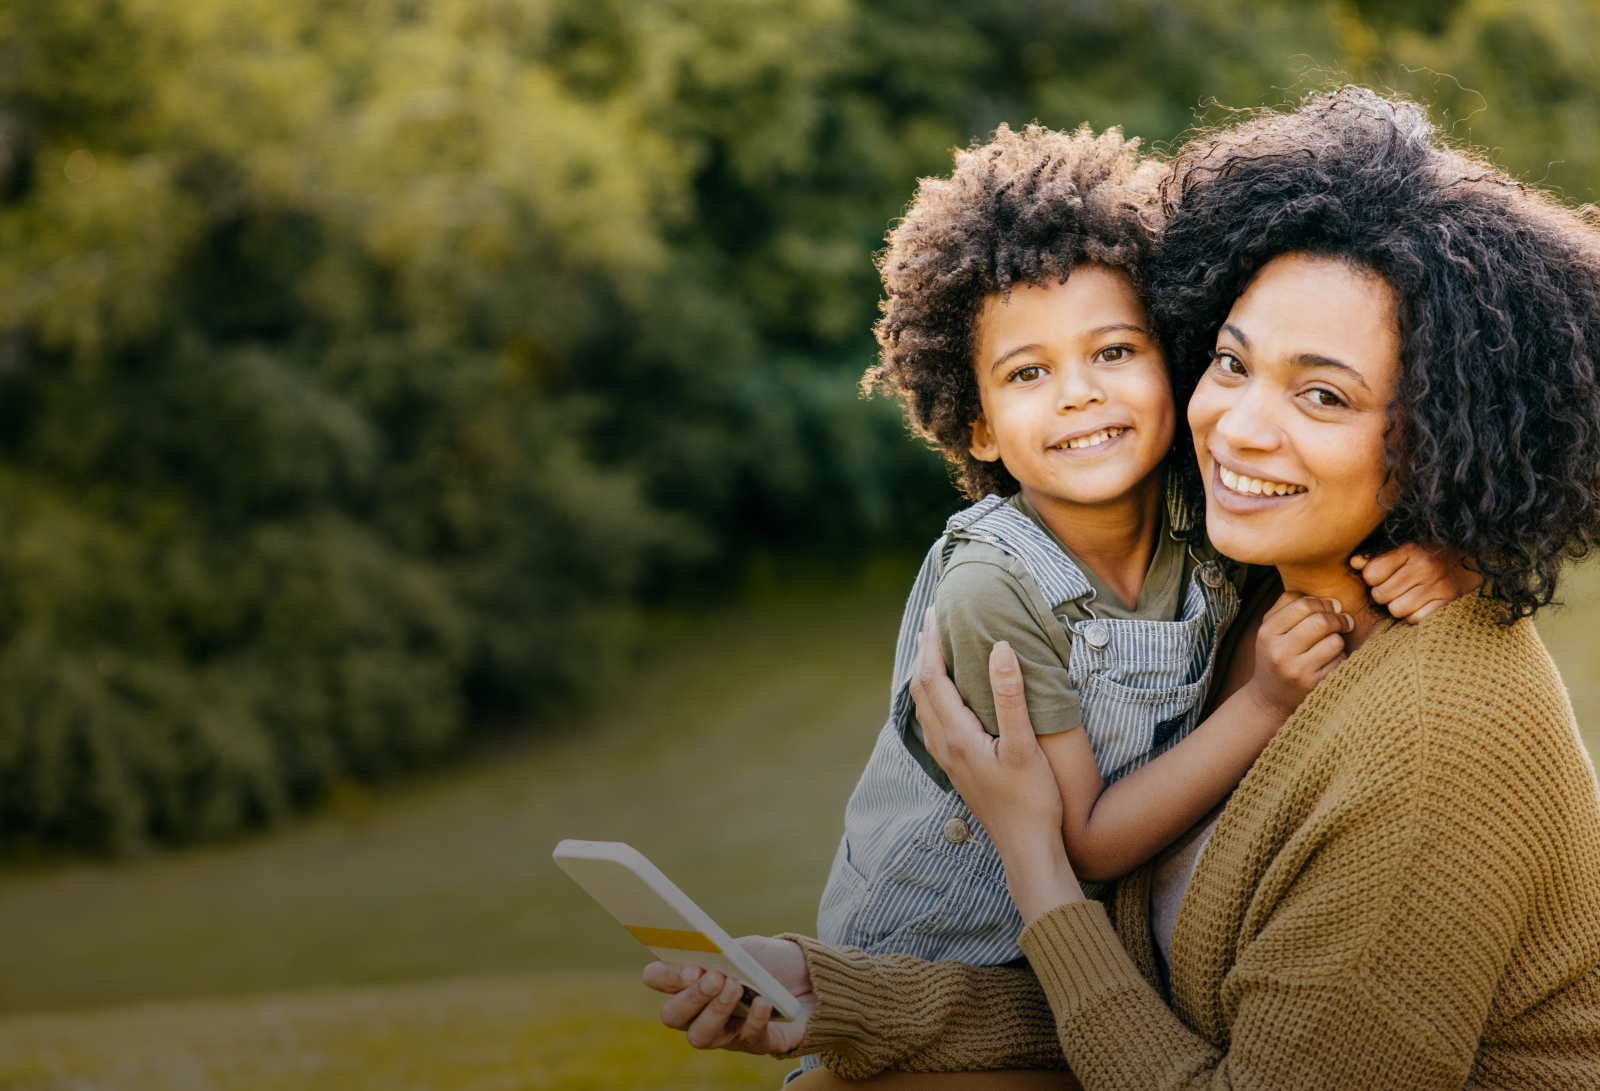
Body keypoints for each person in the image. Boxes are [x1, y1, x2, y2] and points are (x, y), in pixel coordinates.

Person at [646, 87, 1600, 1089]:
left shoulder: (1429, 740)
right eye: (1229, 362)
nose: (1238, 427)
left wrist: (1032, 850)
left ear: (1453, 435)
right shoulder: (1241, 586)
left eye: (1323, 393)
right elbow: (1137, 1000)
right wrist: (827, 992)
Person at [816, 122, 1468, 996]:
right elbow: (1085, 837)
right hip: (939, 955)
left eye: (1114, 351)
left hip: (1076, 948)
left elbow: (1340, 510)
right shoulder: (991, 587)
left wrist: (1456, 555)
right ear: (979, 428)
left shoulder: (1203, 505)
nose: (1080, 391)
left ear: (1172, 355)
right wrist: (1265, 702)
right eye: (1026, 374)